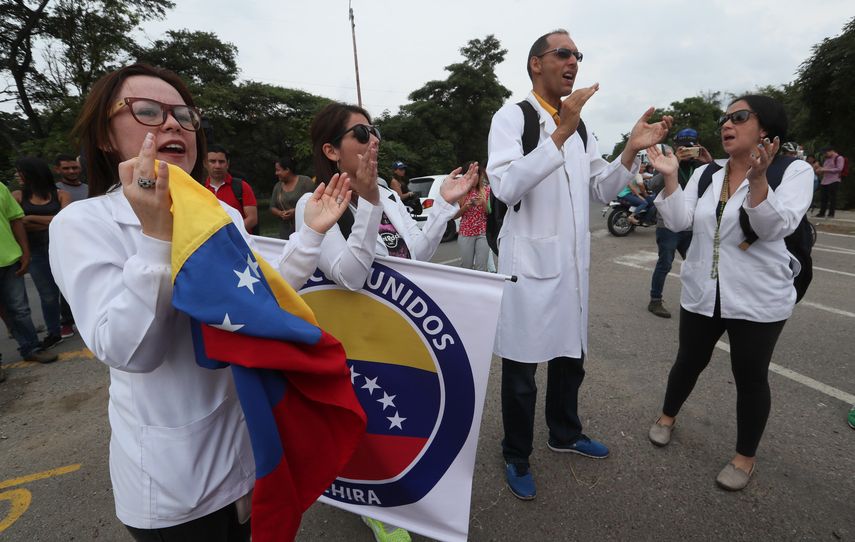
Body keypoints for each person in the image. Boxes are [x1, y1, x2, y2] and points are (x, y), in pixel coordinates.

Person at [48, 63, 352, 541]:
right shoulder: (85, 223)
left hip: (249, 455)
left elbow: (258, 301)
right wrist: (154, 237)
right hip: (175, 489)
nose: (173, 124)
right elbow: (129, 351)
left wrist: (310, 232)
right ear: (106, 137)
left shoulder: (219, 211)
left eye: (185, 115)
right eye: (147, 111)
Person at [486, 29, 672, 501]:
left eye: (578, 56)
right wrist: (560, 131)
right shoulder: (514, 118)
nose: (573, 62)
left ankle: (564, 433)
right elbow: (506, 188)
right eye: (563, 53)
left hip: (571, 269)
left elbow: (602, 190)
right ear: (536, 64)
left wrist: (629, 149)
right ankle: (516, 452)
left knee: (571, 359)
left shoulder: (582, 127)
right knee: (523, 371)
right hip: (529, 265)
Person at [296, 101, 477, 542]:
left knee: (402, 418)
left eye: (374, 130)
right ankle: (377, 508)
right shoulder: (313, 201)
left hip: (399, 332)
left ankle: (397, 493)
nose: (373, 139)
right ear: (331, 150)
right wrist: (370, 203)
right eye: (360, 133)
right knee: (368, 424)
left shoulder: (387, 193)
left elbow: (416, 255)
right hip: (356, 341)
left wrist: (444, 208)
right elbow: (349, 275)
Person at [646, 94, 813, 491]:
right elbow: (679, 219)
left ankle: (744, 457)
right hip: (704, 291)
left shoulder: (794, 172)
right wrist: (671, 176)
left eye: (738, 116)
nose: (726, 124)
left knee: (751, 377)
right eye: (725, 118)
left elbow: (776, 227)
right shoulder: (709, 173)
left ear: (766, 128)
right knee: (688, 361)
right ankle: (666, 417)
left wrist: (758, 181)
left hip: (759, 300)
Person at [647, 128, 712, 318]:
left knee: (697, 264)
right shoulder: (670, 161)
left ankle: (700, 299)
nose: (688, 151)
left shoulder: (702, 168)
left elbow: (720, 186)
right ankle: (655, 300)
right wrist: (673, 165)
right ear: (676, 146)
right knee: (665, 263)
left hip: (692, 225)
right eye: (683, 147)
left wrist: (710, 164)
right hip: (667, 226)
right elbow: (652, 185)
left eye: (692, 147)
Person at [0, 180, 57, 375]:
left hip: (8, 259)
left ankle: (32, 348)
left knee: (20, 309)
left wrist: (25, 252)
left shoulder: (0, 187)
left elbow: (15, 219)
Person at [12, 157, 71, 349]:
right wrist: (49, 220)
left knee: (68, 288)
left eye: (19, 171)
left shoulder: (61, 194)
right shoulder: (17, 196)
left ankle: (79, 324)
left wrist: (31, 218)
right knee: (47, 295)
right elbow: (18, 224)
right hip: (36, 252)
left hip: (62, 248)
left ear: (32, 173)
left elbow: (64, 220)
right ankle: (54, 332)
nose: (16, 175)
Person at [53, 153, 87, 338]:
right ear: (57, 169)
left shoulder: (89, 189)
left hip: (89, 240)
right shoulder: (55, 191)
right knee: (66, 284)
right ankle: (66, 322)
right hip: (65, 244)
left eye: (75, 167)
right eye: (66, 168)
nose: (72, 171)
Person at [205, 144, 259, 232]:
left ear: (227, 164)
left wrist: (229, 234)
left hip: (239, 242)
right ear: (205, 163)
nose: (217, 166)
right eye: (212, 161)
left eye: (221, 161)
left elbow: (252, 219)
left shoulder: (242, 186)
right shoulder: (199, 189)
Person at [455, 163, 491, 271]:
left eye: (477, 174)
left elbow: (489, 212)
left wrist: (483, 203)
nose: (475, 177)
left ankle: (480, 287)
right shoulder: (460, 191)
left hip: (482, 232)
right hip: (466, 232)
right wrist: (465, 207)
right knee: (466, 267)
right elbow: (453, 216)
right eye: (472, 174)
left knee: (481, 267)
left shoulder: (487, 190)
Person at [269, 156, 314, 239]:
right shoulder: (278, 186)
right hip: (286, 231)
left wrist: (296, 211)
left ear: (287, 170)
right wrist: (280, 213)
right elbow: (272, 207)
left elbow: (315, 202)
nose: (276, 173)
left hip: (305, 229)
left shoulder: (305, 182)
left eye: (278, 170)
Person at [816, 145, 844, 218]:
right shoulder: (827, 159)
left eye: (826, 153)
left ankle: (831, 213)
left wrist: (824, 169)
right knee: (823, 198)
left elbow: (839, 169)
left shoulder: (839, 158)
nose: (825, 154)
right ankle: (822, 212)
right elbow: (825, 168)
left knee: (832, 198)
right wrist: (820, 170)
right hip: (825, 180)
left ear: (831, 151)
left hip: (834, 180)